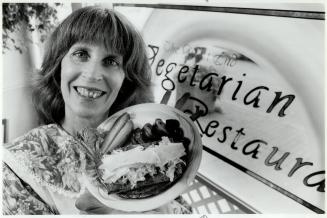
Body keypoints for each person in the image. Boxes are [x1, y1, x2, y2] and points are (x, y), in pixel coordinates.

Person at [2, 6, 192, 214]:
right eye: (81, 54)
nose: (93, 74)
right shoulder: (17, 166)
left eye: (111, 61)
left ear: (125, 81)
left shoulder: (148, 144)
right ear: (58, 67)